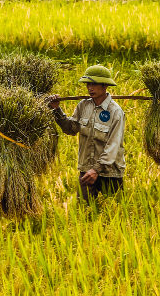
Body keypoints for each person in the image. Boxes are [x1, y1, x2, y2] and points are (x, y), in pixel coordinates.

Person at [46, 65, 126, 202]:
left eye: (94, 84)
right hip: (86, 171)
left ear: (105, 85)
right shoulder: (83, 106)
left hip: (110, 173)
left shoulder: (115, 112)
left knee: (113, 213)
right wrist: (56, 109)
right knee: (84, 211)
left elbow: (113, 146)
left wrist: (96, 170)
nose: (90, 88)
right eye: (88, 84)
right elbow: (70, 128)